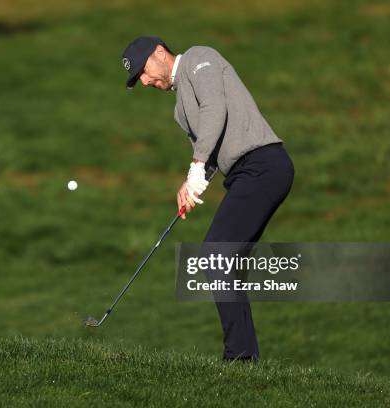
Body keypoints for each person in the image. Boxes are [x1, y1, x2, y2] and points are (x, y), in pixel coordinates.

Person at [121, 36, 294, 361]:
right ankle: (244, 357)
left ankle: (239, 357)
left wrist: (196, 167)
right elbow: (211, 154)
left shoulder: (200, 59)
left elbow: (216, 108)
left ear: (160, 53)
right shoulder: (179, 112)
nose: (144, 81)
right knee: (223, 262)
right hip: (244, 174)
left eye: (143, 71)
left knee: (215, 255)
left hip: (265, 164)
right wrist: (192, 186)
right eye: (138, 80)